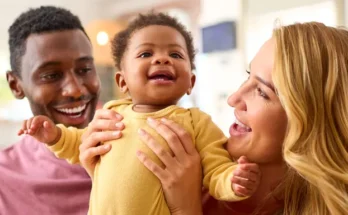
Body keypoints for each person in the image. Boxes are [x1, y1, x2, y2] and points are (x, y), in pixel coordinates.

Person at [80, 22, 348, 215]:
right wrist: (106, 172)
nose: (234, 98)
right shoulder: (197, 164)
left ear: (310, 122)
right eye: (247, 77)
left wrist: (184, 207)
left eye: (262, 92)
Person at [20, 13, 261, 215]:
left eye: (175, 55)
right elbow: (78, 143)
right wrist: (54, 136)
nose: (162, 59)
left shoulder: (196, 122)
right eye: (146, 54)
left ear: (191, 81)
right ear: (122, 81)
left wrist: (233, 180)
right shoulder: (112, 114)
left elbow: (216, 169)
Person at [0, 6, 123, 215]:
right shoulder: (4, 180)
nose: (75, 89)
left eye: (85, 70)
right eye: (51, 75)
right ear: (15, 85)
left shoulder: (140, 145)